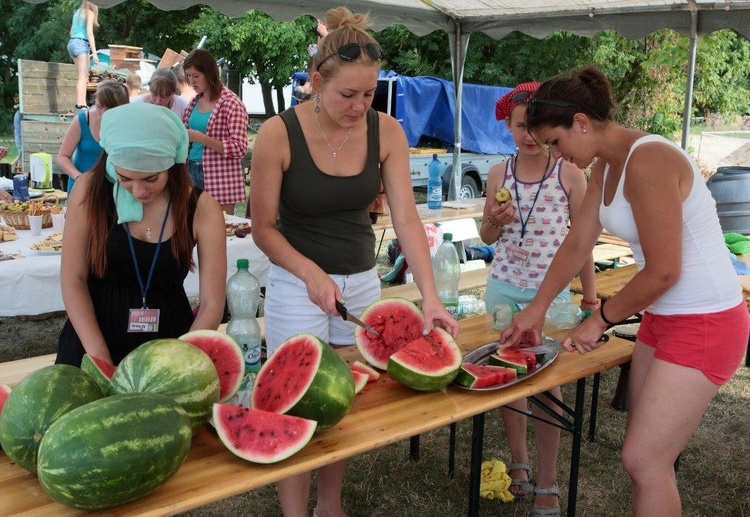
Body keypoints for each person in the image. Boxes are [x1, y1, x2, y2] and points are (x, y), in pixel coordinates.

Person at [500, 67, 749, 517]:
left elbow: (664, 271)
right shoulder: (607, 166)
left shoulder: (648, 159)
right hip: (664, 320)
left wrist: (600, 318)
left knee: (644, 459)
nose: (555, 155)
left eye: (555, 142)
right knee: (645, 462)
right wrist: (536, 310)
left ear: (580, 122)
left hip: (707, 321)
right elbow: (579, 241)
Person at [250, 7, 459, 517]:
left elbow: (407, 220)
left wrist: (429, 296)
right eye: (348, 94)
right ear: (317, 82)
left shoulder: (387, 132)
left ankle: (331, 505)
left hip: (362, 284)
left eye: (369, 94)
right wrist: (311, 274)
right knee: (293, 400)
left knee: (341, 398)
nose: (359, 105)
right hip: (297, 282)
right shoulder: (278, 135)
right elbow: (262, 229)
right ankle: (294, 511)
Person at [481, 81, 598, 515]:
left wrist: (589, 298)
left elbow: (582, 241)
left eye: (534, 126)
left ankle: (548, 480)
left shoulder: (569, 173)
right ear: (508, 126)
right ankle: (520, 463)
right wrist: (493, 218)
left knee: (549, 387)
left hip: (549, 297)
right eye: (519, 126)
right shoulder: (499, 174)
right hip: (502, 289)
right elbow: (486, 236)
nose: (528, 135)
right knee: (510, 379)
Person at [56, 103, 227, 368]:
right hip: (91, 340)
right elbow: (72, 279)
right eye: (125, 178)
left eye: (150, 179)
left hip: (171, 346)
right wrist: (99, 356)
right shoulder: (89, 189)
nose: (138, 191)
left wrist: (175, 363)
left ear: (171, 164)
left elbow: (212, 303)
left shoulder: (202, 208)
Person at [182, 48, 248, 214]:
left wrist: (202, 138)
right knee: (193, 228)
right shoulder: (193, 102)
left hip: (220, 176)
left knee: (221, 230)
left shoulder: (231, 103)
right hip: (192, 171)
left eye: (196, 76)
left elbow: (240, 148)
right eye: (188, 76)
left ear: (209, 73)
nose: (192, 81)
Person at [57, 79, 129, 194]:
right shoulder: (83, 121)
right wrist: (79, 178)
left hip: (113, 190)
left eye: (110, 110)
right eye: (99, 107)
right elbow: (62, 157)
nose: (102, 114)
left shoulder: (127, 125)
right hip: (81, 188)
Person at [66, 0, 99, 110]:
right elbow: (89, 33)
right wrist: (94, 53)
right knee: (83, 77)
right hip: (81, 43)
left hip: (72, 43)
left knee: (83, 76)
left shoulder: (77, 12)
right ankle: (80, 104)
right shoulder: (90, 13)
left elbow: (71, 32)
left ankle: (82, 103)